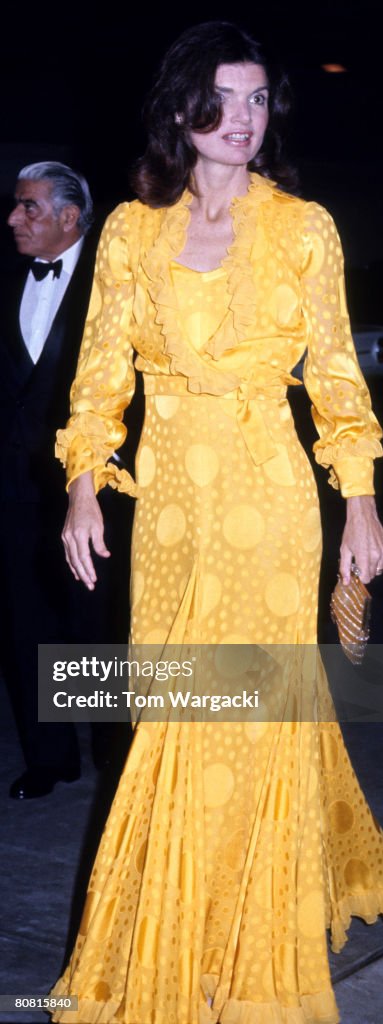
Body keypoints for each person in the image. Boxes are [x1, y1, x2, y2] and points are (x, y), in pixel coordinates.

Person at [50, 23, 383, 1023]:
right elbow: (99, 376)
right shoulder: (130, 229)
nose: (249, 118)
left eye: (262, 100)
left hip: (270, 497)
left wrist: (362, 502)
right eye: (229, 96)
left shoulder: (303, 227)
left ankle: (246, 944)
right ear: (183, 109)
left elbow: (339, 377)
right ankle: (180, 924)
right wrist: (86, 482)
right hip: (170, 505)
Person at [0, 161, 132, 800]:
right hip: (12, 483)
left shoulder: (114, 277)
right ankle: (50, 758)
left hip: (92, 486)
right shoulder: (7, 274)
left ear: (70, 218)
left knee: (98, 618)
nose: (13, 218)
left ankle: (114, 753)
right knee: (25, 619)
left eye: (28, 208)